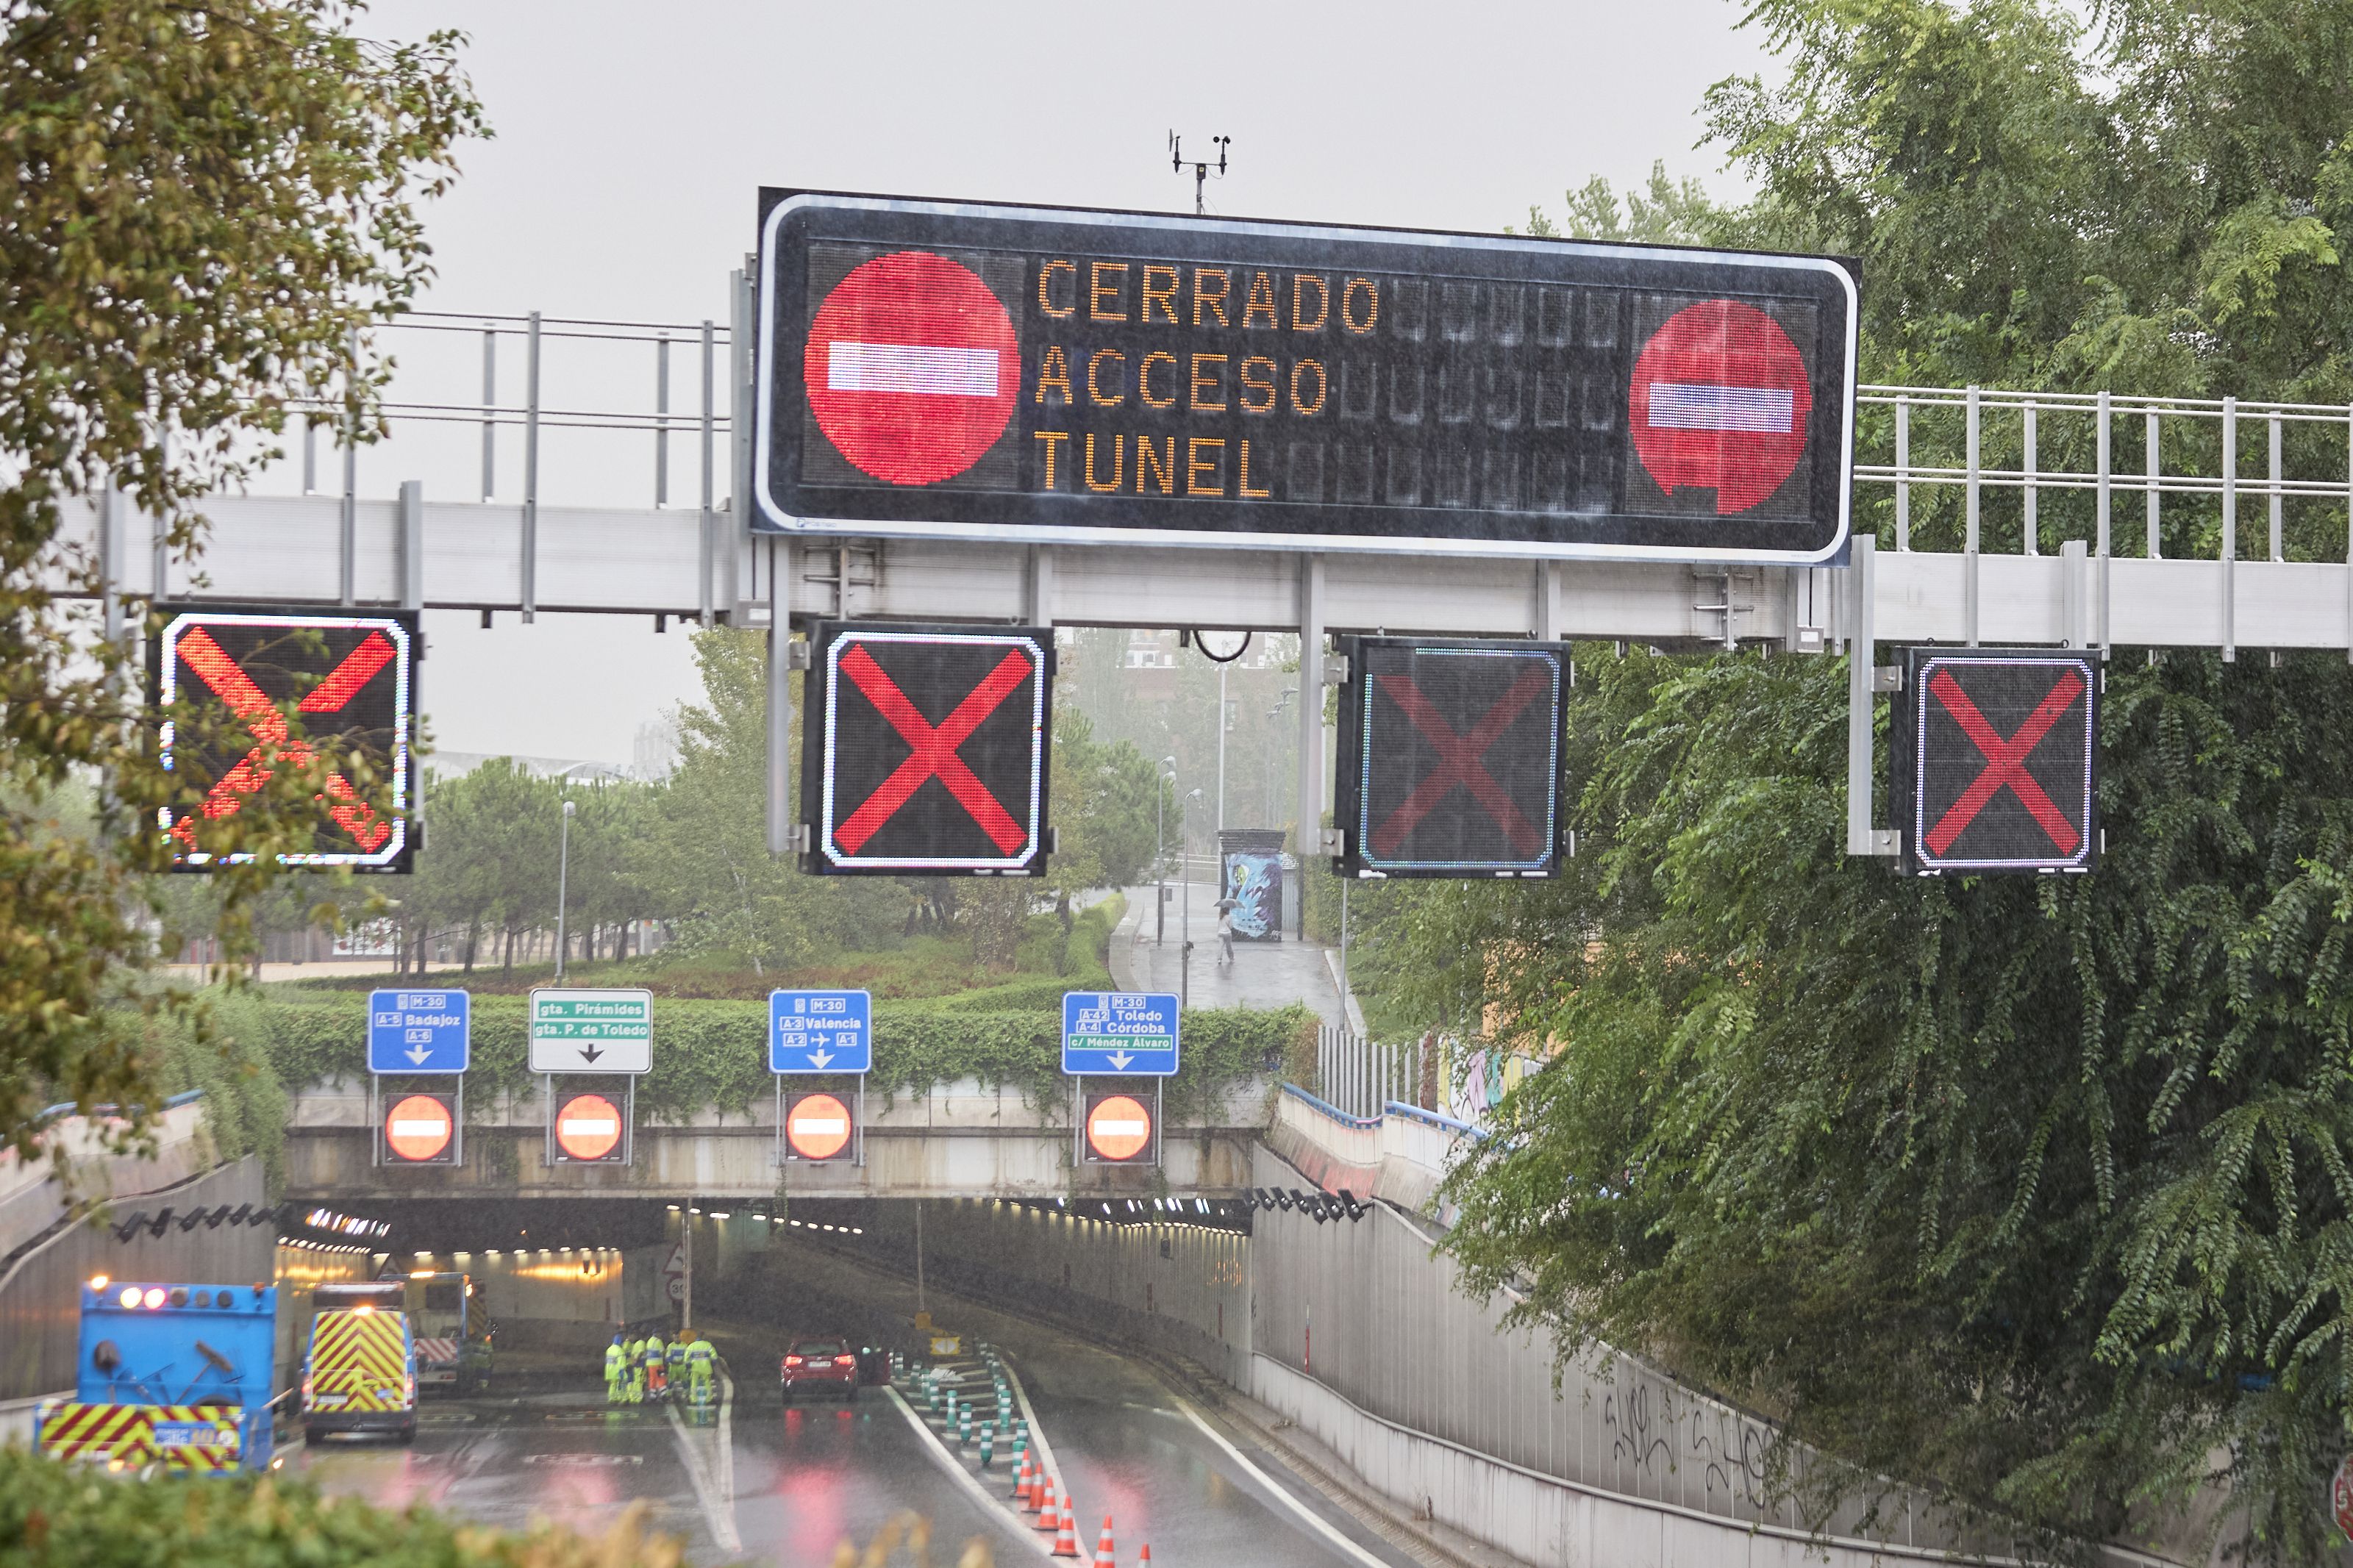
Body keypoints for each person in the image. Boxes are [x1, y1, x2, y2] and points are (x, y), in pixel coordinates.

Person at [685, 1328, 717, 1406]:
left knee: (694, 1384)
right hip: (706, 1368)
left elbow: (686, 1359)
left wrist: (688, 1366)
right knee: (707, 1383)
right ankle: (709, 1399)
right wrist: (712, 1364)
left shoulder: (691, 1346)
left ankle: (693, 1400)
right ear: (703, 1337)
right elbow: (714, 1357)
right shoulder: (708, 1345)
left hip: (695, 1368)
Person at [603, 1333, 626, 1405]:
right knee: (621, 1385)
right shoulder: (620, 1350)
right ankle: (621, 1399)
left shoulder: (609, 1349)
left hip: (610, 1371)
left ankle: (612, 1398)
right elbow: (622, 1363)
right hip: (617, 1371)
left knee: (612, 1385)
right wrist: (622, 1372)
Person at [1215, 899, 1235, 965]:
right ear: (1228, 910)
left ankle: (1219, 959)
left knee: (1220, 947)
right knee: (1228, 947)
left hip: (1220, 933)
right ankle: (1231, 958)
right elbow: (1231, 926)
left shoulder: (1220, 917)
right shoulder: (1229, 917)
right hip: (1227, 934)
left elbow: (1218, 926)